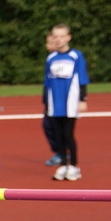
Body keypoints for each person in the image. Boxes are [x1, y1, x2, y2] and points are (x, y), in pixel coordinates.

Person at [44, 23, 89, 181]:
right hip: (54, 102)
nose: (59, 40)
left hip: (70, 102)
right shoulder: (51, 58)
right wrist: (46, 103)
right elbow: (47, 82)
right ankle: (63, 164)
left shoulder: (76, 56)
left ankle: (74, 166)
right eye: (56, 37)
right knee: (58, 134)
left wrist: (82, 99)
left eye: (62, 36)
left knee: (68, 134)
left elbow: (82, 78)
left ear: (68, 38)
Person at [43, 32, 62, 167]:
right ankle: (60, 152)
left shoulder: (64, 59)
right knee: (48, 126)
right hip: (50, 99)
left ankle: (63, 154)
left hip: (59, 101)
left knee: (58, 128)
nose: (47, 46)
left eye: (50, 43)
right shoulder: (50, 58)